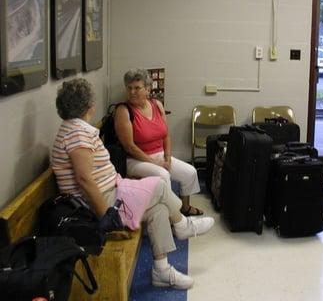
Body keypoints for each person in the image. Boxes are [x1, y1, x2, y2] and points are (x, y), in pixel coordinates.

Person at [51, 78, 214, 289]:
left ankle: (161, 271)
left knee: (158, 209)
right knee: (159, 185)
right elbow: (84, 180)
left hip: (111, 191)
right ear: (88, 105)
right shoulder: (77, 133)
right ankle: (183, 225)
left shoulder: (74, 128)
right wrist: (106, 217)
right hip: (100, 202)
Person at [114, 68, 204, 216]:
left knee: (190, 172)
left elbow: (166, 135)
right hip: (135, 160)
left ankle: (185, 208)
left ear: (148, 89)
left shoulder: (157, 105)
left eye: (137, 88)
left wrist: (167, 158)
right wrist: (154, 162)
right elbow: (129, 146)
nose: (132, 92)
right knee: (163, 175)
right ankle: (172, 217)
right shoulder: (123, 110)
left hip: (159, 155)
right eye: (129, 88)